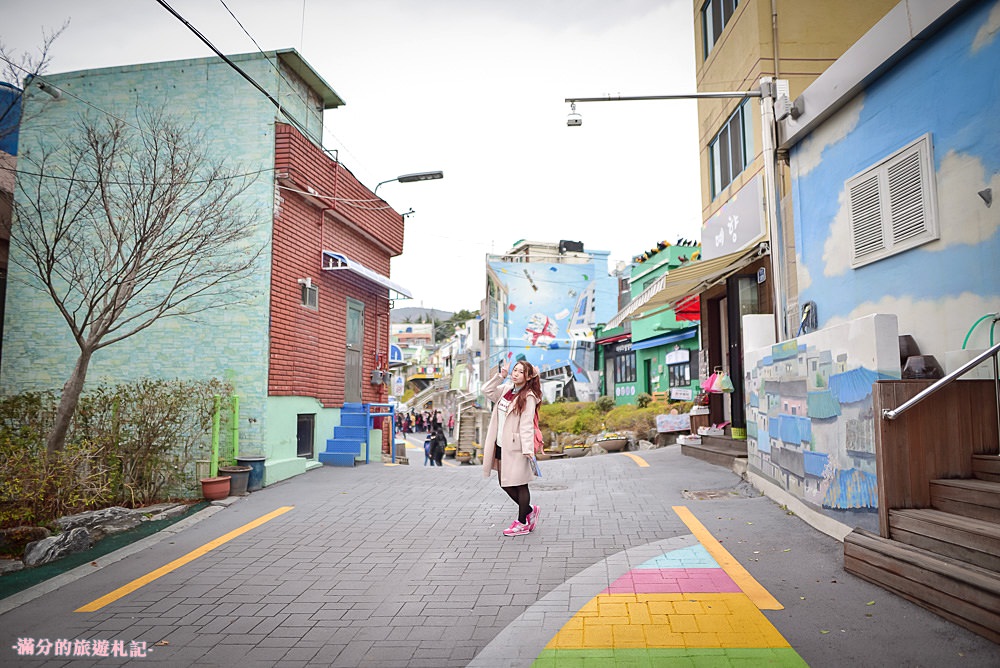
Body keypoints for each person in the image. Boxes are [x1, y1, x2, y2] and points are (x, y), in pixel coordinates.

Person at [481, 359, 541, 537]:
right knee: (504, 483)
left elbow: (527, 424)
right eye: (515, 370)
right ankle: (529, 511)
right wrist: (501, 376)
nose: (515, 374)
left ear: (528, 376)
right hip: (500, 444)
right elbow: (486, 390)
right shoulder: (506, 389)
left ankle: (522, 522)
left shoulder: (528, 396)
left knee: (520, 484)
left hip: (517, 446)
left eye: (520, 372)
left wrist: (528, 449)